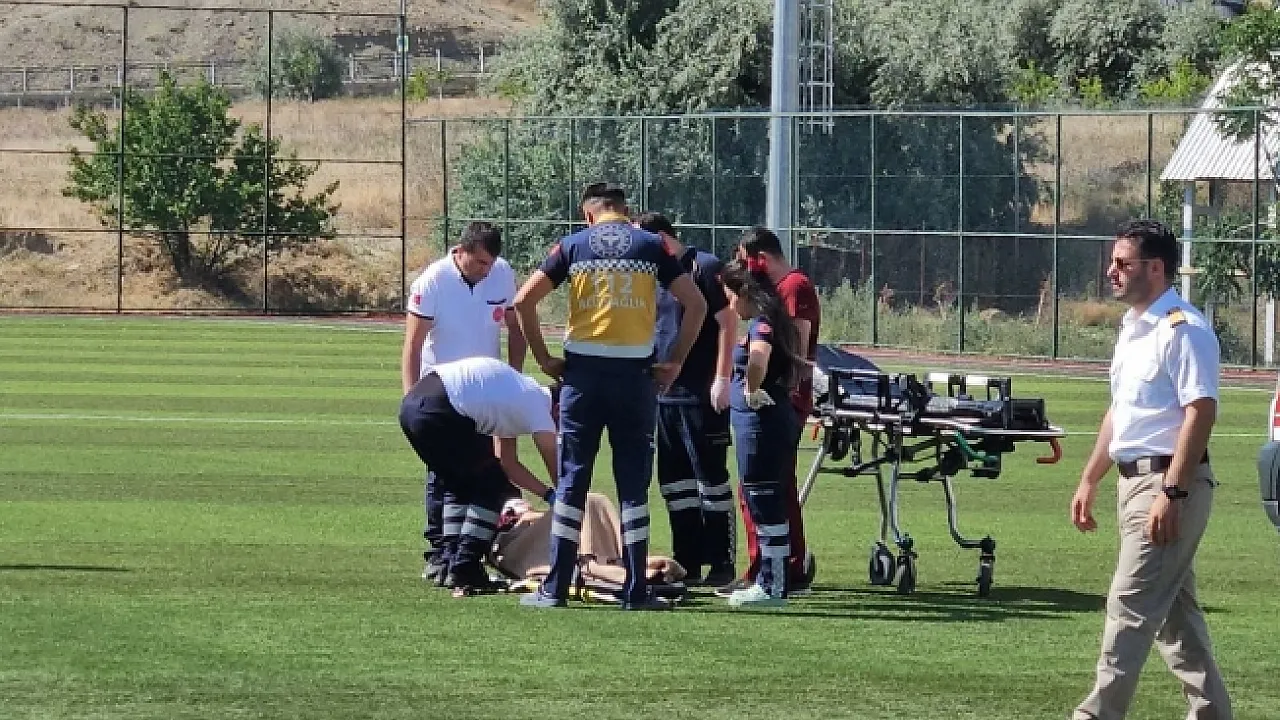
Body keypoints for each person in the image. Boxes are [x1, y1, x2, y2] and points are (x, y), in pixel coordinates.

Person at [511, 181, 708, 610]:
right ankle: (636, 591)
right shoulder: (652, 246)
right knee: (633, 486)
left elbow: (523, 302)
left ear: (589, 214)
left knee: (572, 480)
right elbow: (697, 304)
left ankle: (556, 587)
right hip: (635, 378)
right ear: (625, 210)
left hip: (582, 377)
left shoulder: (572, 246)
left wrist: (544, 358)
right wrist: (675, 360)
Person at [1069, 219, 1232, 720]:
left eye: (1123, 263)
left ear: (1155, 268)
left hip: (1167, 483)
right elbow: (1121, 412)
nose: (1111, 272)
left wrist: (1172, 493)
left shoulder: (1183, 329)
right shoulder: (1133, 328)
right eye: (1113, 262)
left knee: (1129, 607)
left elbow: (1200, 411)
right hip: (1134, 482)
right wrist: (1090, 477)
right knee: (1177, 620)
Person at [400, 221, 540, 585]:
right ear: (459, 251)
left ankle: (461, 555)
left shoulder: (501, 273)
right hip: (442, 396)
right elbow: (413, 344)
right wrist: (410, 396)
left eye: (490, 263)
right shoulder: (433, 281)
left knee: (476, 476)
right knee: (445, 476)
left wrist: (513, 379)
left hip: (484, 396)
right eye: (479, 262)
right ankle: (440, 553)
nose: (486, 269)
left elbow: (515, 328)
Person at [397, 355, 559, 596]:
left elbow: (509, 464)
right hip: (442, 407)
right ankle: (466, 566)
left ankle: (450, 563)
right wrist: (568, 497)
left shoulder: (519, 396)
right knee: (493, 486)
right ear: (559, 407)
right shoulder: (538, 404)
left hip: (413, 406)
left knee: (458, 485)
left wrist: (548, 495)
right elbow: (551, 455)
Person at [634, 211, 738, 587]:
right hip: (664, 395)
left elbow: (729, 322)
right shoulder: (652, 273)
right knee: (675, 483)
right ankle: (687, 561)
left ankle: (722, 562)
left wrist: (722, 378)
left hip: (700, 392)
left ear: (661, 239)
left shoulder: (704, 266)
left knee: (710, 478)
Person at [717, 225, 821, 598]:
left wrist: (767, 391)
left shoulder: (792, 287)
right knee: (761, 488)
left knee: (768, 489)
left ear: (759, 259)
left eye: (745, 262)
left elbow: (793, 345)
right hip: (772, 404)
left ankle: (779, 571)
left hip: (776, 405)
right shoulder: (774, 298)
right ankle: (771, 569)